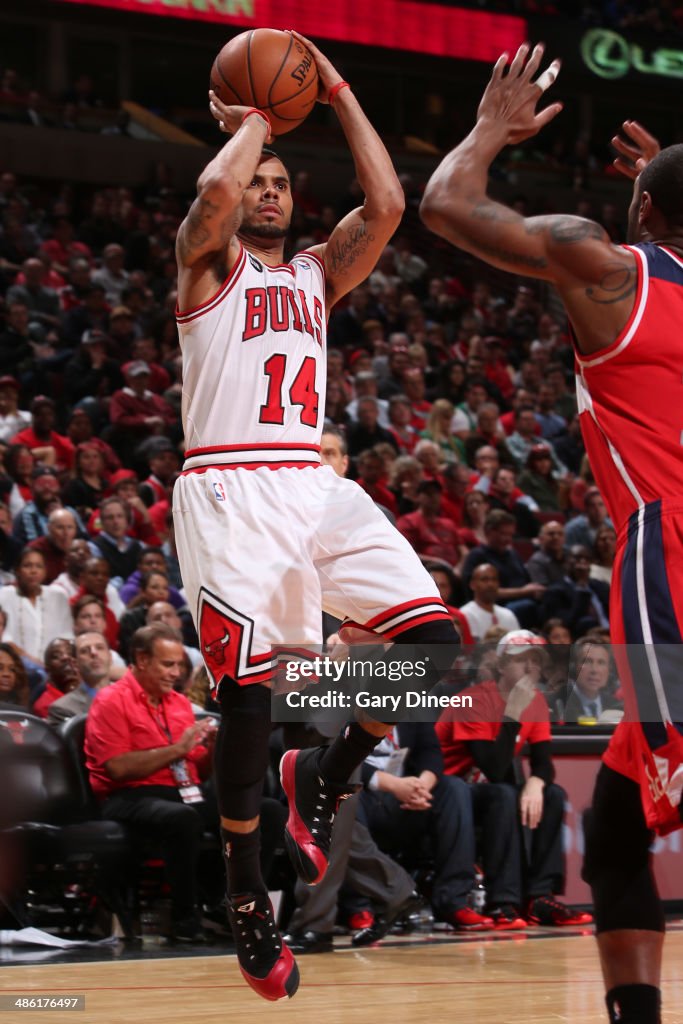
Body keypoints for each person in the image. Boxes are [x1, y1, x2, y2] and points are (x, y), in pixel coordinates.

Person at [173, 33, 459, 1001]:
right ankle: (247, 896)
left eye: (284, 183)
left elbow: (386, 205)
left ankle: (325, 774)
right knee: (246, 697)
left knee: (432, 645)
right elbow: (210, 201)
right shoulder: (208, 269)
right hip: (225, 487)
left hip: (308, 481)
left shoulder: (313, 279)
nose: (268, 192)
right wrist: (255, 116)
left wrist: (331, 87)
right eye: (262, 180)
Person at [419, 44, 676, 1023]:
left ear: (641, 212)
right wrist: (659, 185)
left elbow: (446, 203)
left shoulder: (605, 266)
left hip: (673, 572)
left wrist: (489, 128)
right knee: (613, 829)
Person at [436, 630, 592, 930]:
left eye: (537, 661)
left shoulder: (535, 703)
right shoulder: (474, 700)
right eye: (523, 661)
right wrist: (512, 714)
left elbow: (543, 764)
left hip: (491, 789)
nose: (532, 669)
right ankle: (503, 901)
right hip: (450, 791)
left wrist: (537, 782)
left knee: (553, 794)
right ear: (502, 665)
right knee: (504, 794)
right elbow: (493, 768)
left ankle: (540, 897)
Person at [85, 624, 217, 942]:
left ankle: (221, 906)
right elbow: (117, 768)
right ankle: (185, 919)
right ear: (142, 660)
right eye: (167, 664)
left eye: (179, 665)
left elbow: (198, 766)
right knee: (183, 818)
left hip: (183, 792)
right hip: (129, 796)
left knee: (262, 812)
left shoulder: (179, 703)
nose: (176, 673)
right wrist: (178, 749)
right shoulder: (110, 700)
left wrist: (213, 749)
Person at [47, 631, 113, 724]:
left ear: (110, 657)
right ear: (74, 663)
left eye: (99, 648)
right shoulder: (62, 709)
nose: (94, 653)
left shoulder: (131, 696)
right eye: (85, 651)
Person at [460, 563, 521, 641]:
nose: (490, 584)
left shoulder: (508, 614)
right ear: (472, 585)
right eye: (484, 579)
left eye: (494, 579)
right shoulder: (465, 614)